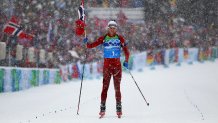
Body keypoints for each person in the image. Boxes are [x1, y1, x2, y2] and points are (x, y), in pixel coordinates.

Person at [83, 20, 130, 117]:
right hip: (107, 67)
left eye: (114, 28)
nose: (112, 30)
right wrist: (86, 42)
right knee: (105, 88)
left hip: (117, 67)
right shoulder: (104, 38)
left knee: (117, 88)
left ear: (116, 29)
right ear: (108, 28)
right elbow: (91, 45)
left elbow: (126, 51)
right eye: (111, 28)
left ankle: (119, 108)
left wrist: (126, 60)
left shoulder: (120, 38)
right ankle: (102, 108)